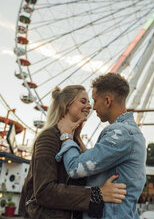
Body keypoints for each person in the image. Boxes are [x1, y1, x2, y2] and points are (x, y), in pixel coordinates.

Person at [19, 85, 127, 219]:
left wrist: (77, 138)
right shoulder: (49, 137)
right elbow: (44, 191)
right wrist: (97, 194)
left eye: (89, 102)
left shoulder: (72, 141)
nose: (89, 106)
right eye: (83, 101)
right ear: (67, 105)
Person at [56, 73, 146, 219]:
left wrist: (66, 135)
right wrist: (77, 138)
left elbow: (75, 168)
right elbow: (100, 163)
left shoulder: (120, 133)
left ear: (107, 100)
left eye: (95, 100)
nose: (93, 107)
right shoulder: (130, 133)